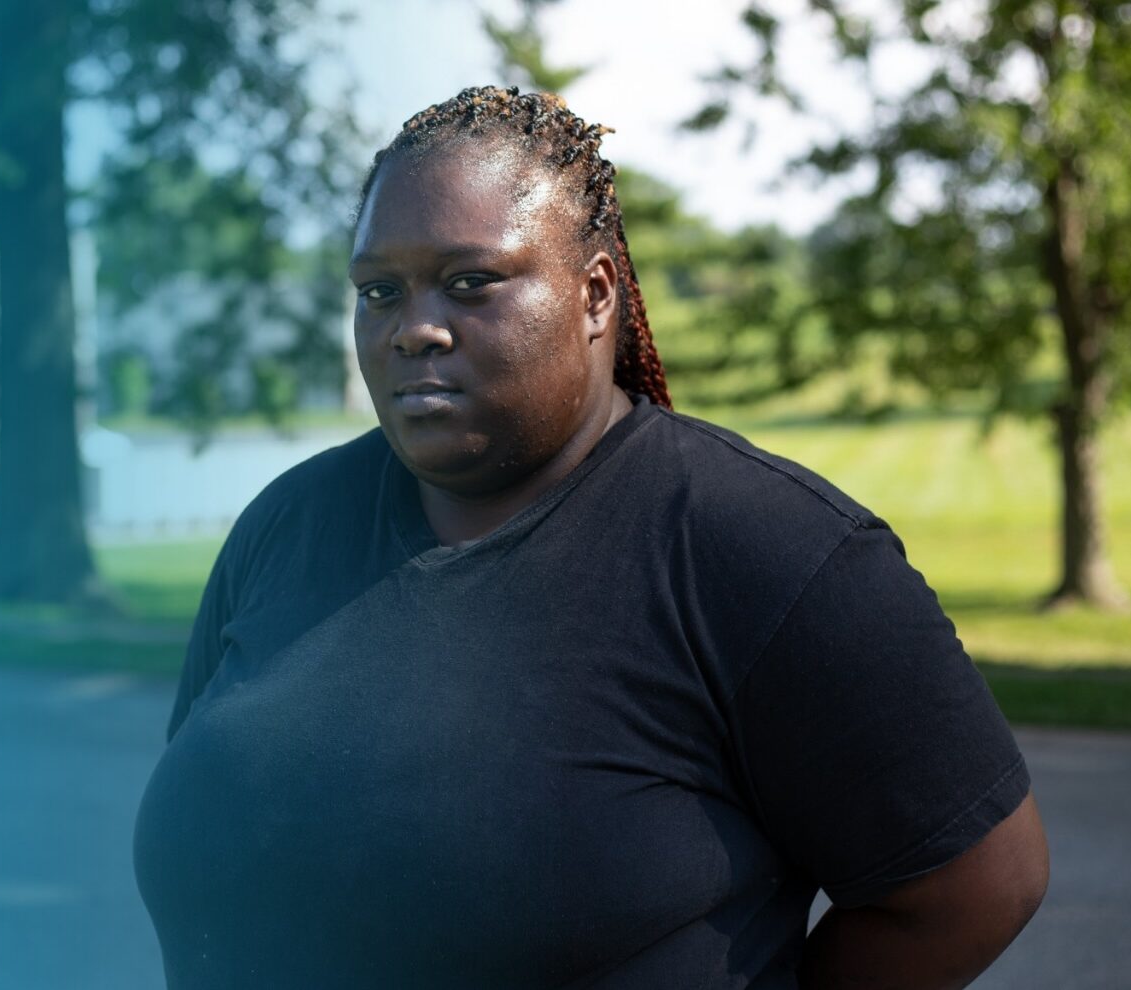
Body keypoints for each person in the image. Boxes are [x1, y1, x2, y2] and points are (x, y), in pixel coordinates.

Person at [131, 86, 1048, 988]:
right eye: (379, 290)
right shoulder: (286, 527)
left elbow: (979, 884)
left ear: (595, 293)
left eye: (468, 282)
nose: (413, 329)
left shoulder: (765, 549)